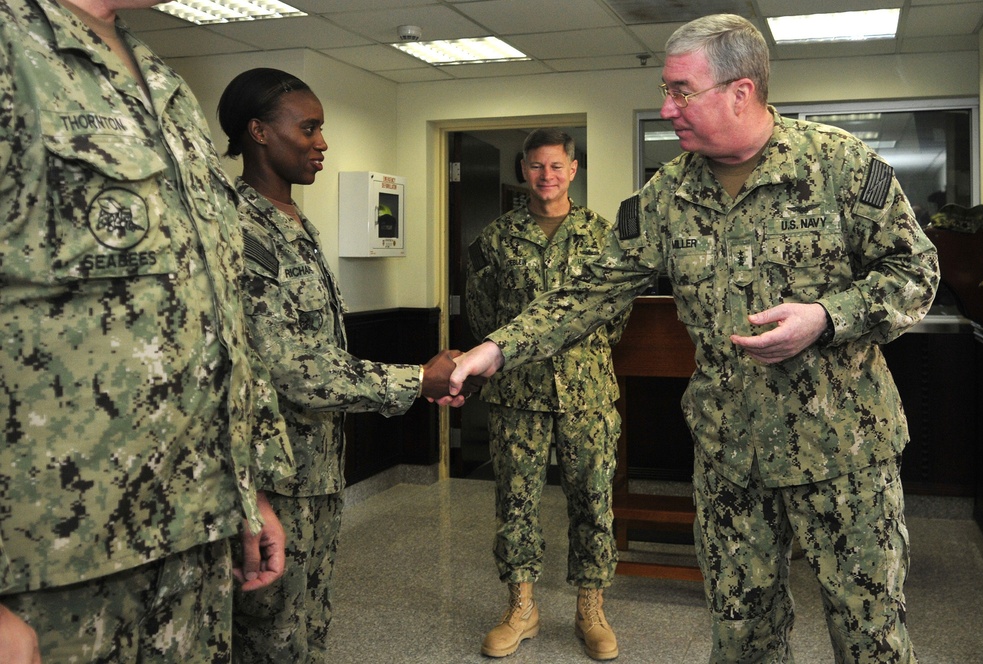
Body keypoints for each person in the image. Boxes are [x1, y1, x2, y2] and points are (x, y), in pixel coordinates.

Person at [446, 14, 939, 664]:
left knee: (870, 640)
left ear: (739, 91)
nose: (665, 106)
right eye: (665, 89)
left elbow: (917, 272)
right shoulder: (669, 193)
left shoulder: (837, 164)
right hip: (730, 462)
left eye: (681, 90)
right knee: (743, 640)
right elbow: (590, 288)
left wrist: (826, 316)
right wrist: (495, 348)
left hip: (842, 453)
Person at [0, 1, 299, 662]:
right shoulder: (14, 49)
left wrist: (247, 492)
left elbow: (212, 314)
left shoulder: (162, 81)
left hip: (189, 539)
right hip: (50, 569)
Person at [216, 67, 460, 664]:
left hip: (317, 471)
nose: (322, 142)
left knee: (310, 618)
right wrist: (415, 379)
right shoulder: (239, 227)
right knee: (270, 634)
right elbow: (295, 369)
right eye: (308, 127)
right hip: (270, 481)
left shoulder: (296, 224)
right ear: (258, 132)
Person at [465, 128, 630, 661]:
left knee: (593, 503)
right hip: (517, 395)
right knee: (515, 505)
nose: (546, 176)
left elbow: (617, 314)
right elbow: (482, 314)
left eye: (556, 166)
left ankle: (591, 609)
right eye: (536, 167)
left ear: (573, 170)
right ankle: (522, 609)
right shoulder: (496, 238)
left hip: (587, 394)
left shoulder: (602, 236)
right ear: (523, 170)